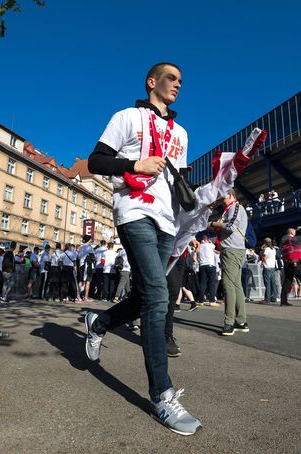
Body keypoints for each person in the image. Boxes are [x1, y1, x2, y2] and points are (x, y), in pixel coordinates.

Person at [85, 62, 201, 435]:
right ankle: (162, 397)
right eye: (172, 79)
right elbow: (96, 161)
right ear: (153, 82)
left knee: (149, 294)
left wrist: (198, 213)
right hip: (134, 210)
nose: (177, 85)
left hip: (168, 220)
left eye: (181, 81)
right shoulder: (126, 116)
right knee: (156, 295)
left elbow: (179, 181)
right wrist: (135, 162)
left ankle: (99, 322)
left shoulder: (181, 132)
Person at [208, 190, 249, 336]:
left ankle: (229, 322)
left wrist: (213, 224)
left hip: (232, 249)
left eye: (224, 196)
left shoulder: (235, 207)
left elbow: (231, 226)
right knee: (236, 285)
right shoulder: (232, 208)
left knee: (228, 285)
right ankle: (241, 321)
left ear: (231, 195)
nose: (221, 199)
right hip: (233, 249)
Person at [196, 235, 217, 305]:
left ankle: (201, 300)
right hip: (210, 265)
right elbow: (215, 247)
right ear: (207, 240)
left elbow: (197, 252)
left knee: (202, 283)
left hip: (202, 265)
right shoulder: (210, 245)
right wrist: (209, 242)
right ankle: (212, 300)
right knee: (212, 283)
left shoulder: (200, 246)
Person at [260, 237, 278, 304]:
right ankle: (274, 298)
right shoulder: (274, 249)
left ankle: (267, 299)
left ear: (265, 242)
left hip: (267, 267)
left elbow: (265, 258)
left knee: (267, 283)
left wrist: (262, 262)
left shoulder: (267, 249)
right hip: (273, 267)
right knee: (272, 283)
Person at [77, 235, 95, 302]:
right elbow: (93, 257)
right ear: (88, 240)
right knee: (88, 282)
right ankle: (85, 297)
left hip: (81, 265)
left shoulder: (81, 247)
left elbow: (78, 256)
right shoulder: (90, 248)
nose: (91, 240)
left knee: (80, 281)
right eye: (90, 239)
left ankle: (78, 297)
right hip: (88, 266)